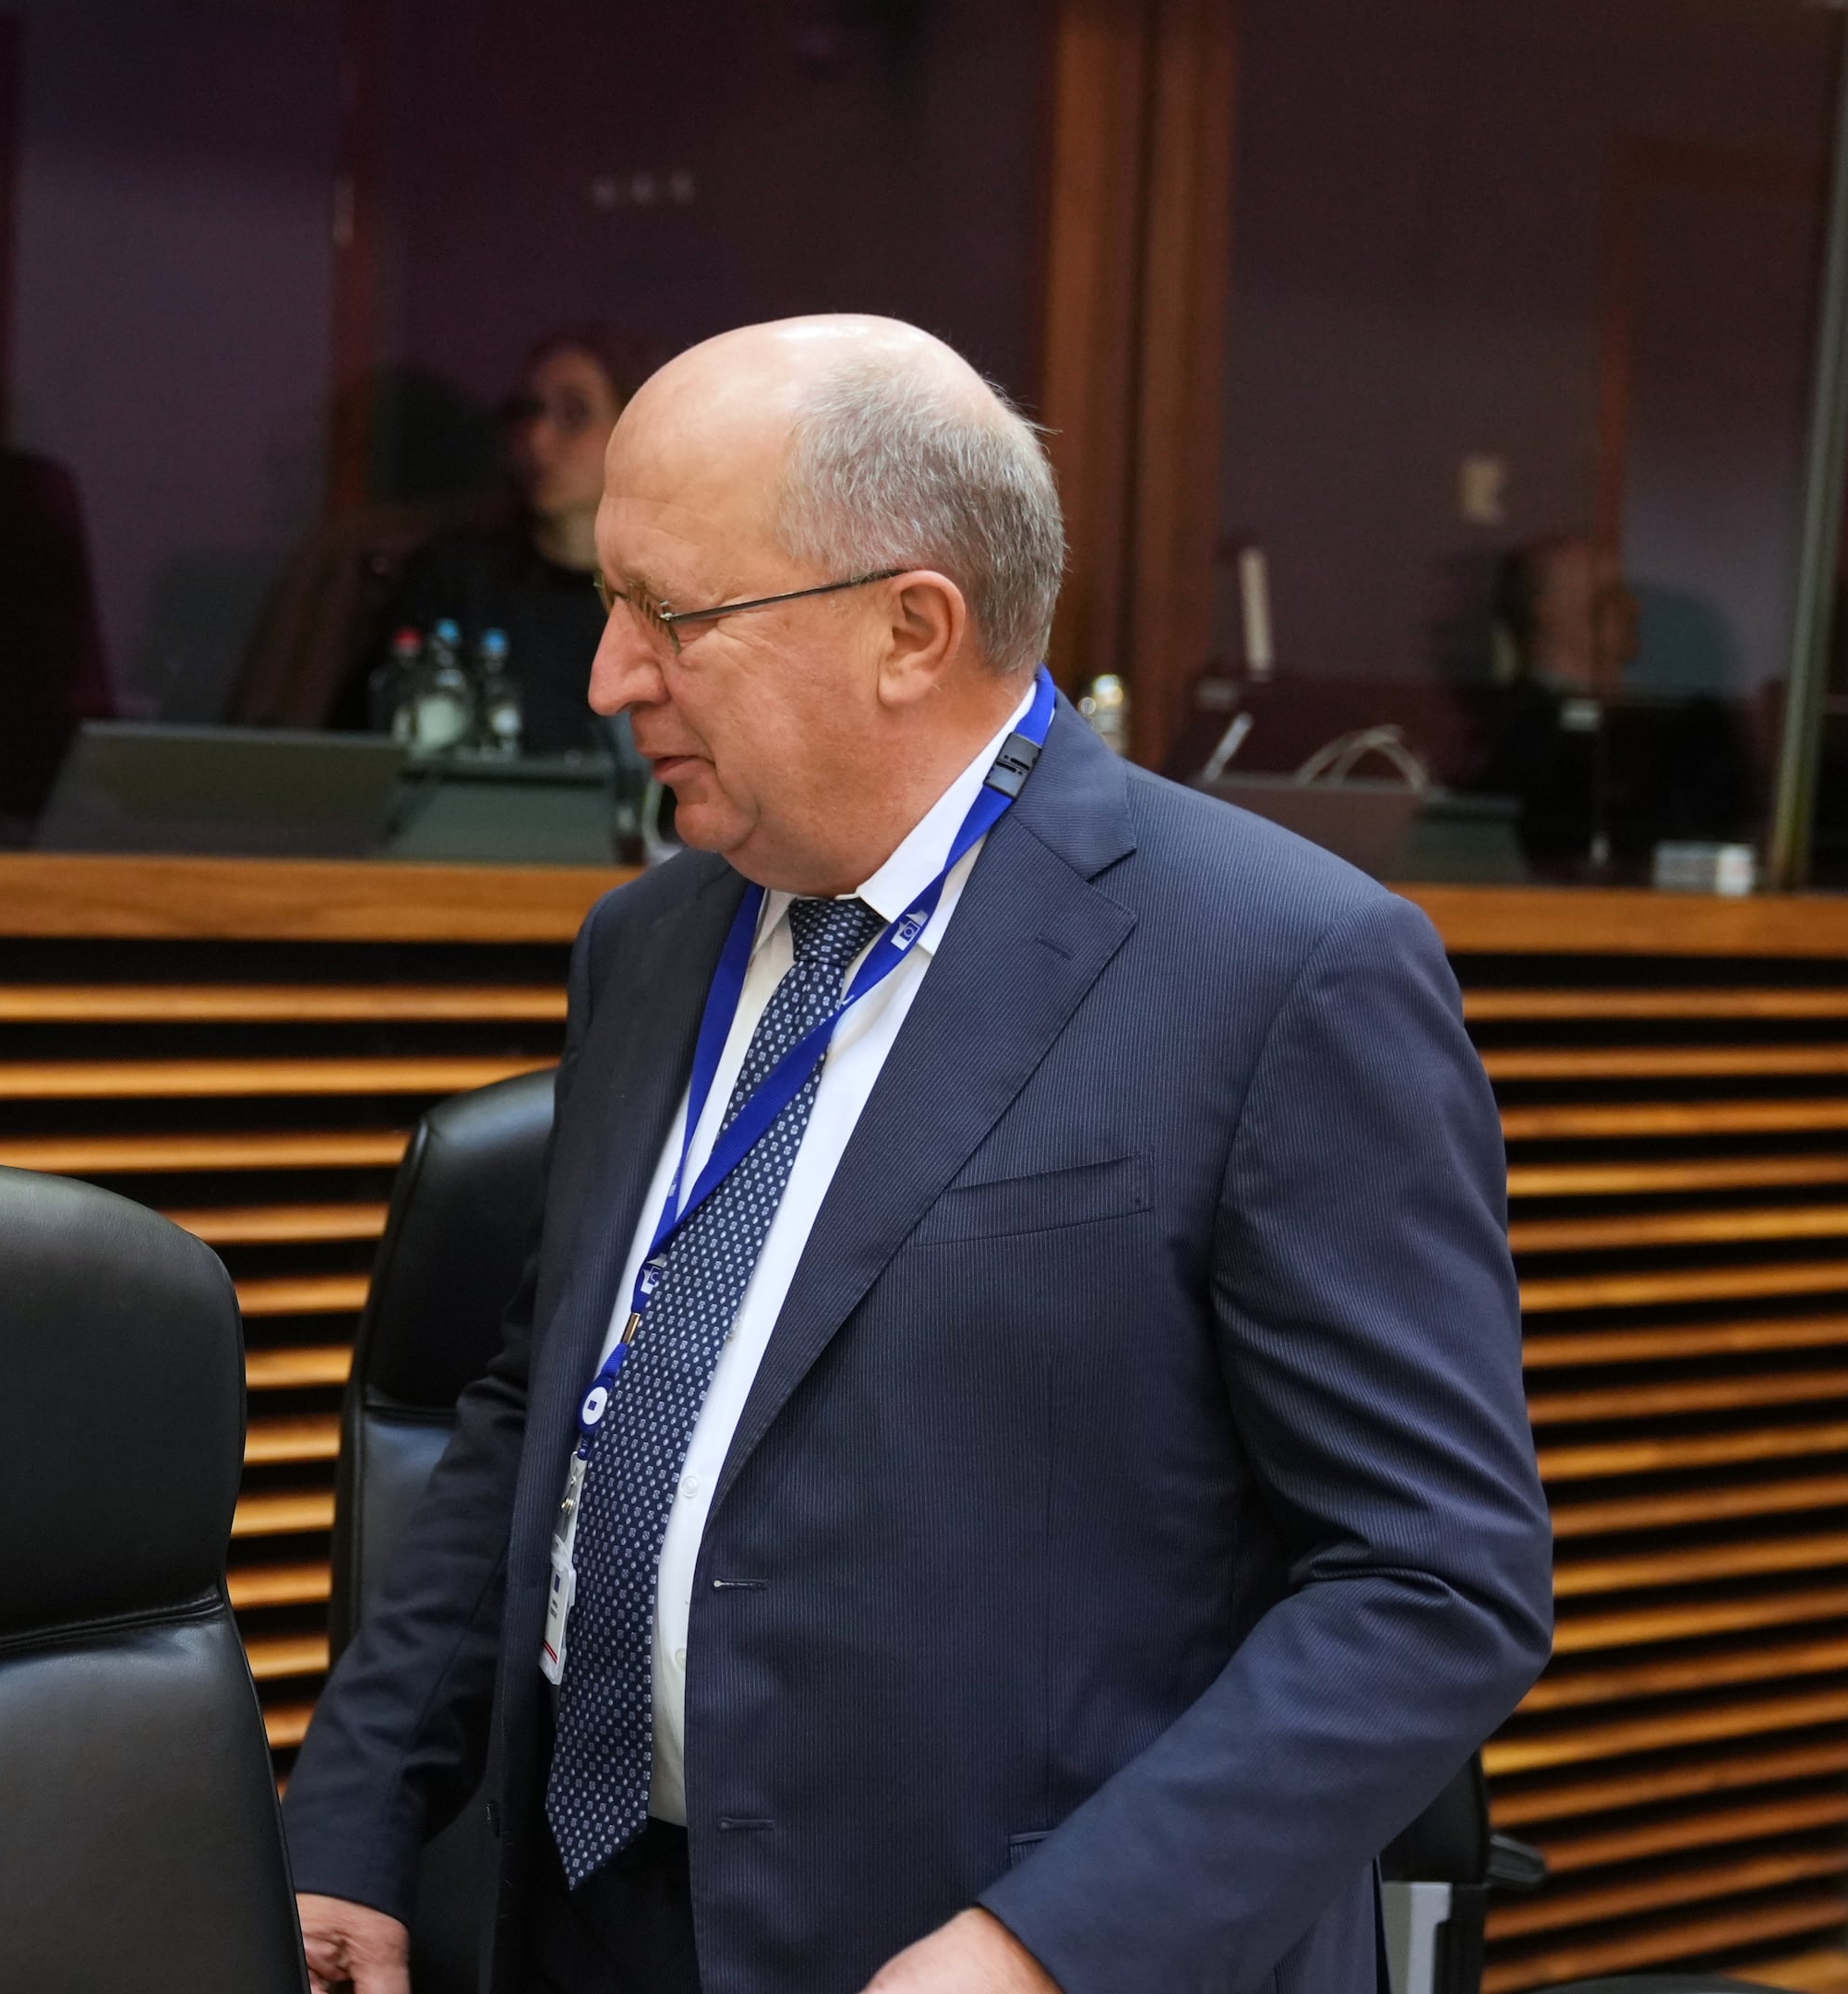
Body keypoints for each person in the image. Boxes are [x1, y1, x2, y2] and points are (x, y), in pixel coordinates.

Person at [285, 317, 1552, 1994]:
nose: (610, 679)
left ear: (910, 630)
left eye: (672, 616)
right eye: (607, 604)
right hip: (589, 1913)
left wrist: (1045, 1949)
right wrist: (359, 1817)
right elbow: (543, 1403)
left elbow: (1432, 1581)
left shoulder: (1282, 972)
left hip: (990, 1950)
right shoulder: (647, 942)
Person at [344, 329, 652, 756]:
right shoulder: (455, 579)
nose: (537, 437)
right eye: (527, 412)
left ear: (638, 429)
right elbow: (372, 741)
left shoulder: (668, 597)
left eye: (574, 414)